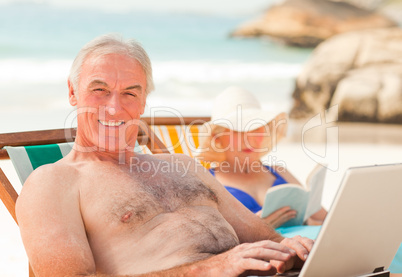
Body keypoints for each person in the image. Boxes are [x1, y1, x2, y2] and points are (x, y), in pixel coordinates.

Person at [15, 34, 314, 277]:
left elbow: (270, 239)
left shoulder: (183, 166)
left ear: (144, 100)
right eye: (100, 90)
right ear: (72, 92)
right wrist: (211, 268)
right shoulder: (54, 183)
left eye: (131, 93)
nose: (114, 107)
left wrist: (295, 248)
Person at [196, 86, 327, 228]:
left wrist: (307, 222)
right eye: (238, 130)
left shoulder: (279, 171)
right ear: (217, 138)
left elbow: (329, 221)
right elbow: (211, 239)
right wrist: (255, 229)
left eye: (256, 128)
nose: (249, 139)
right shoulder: (208, 184)